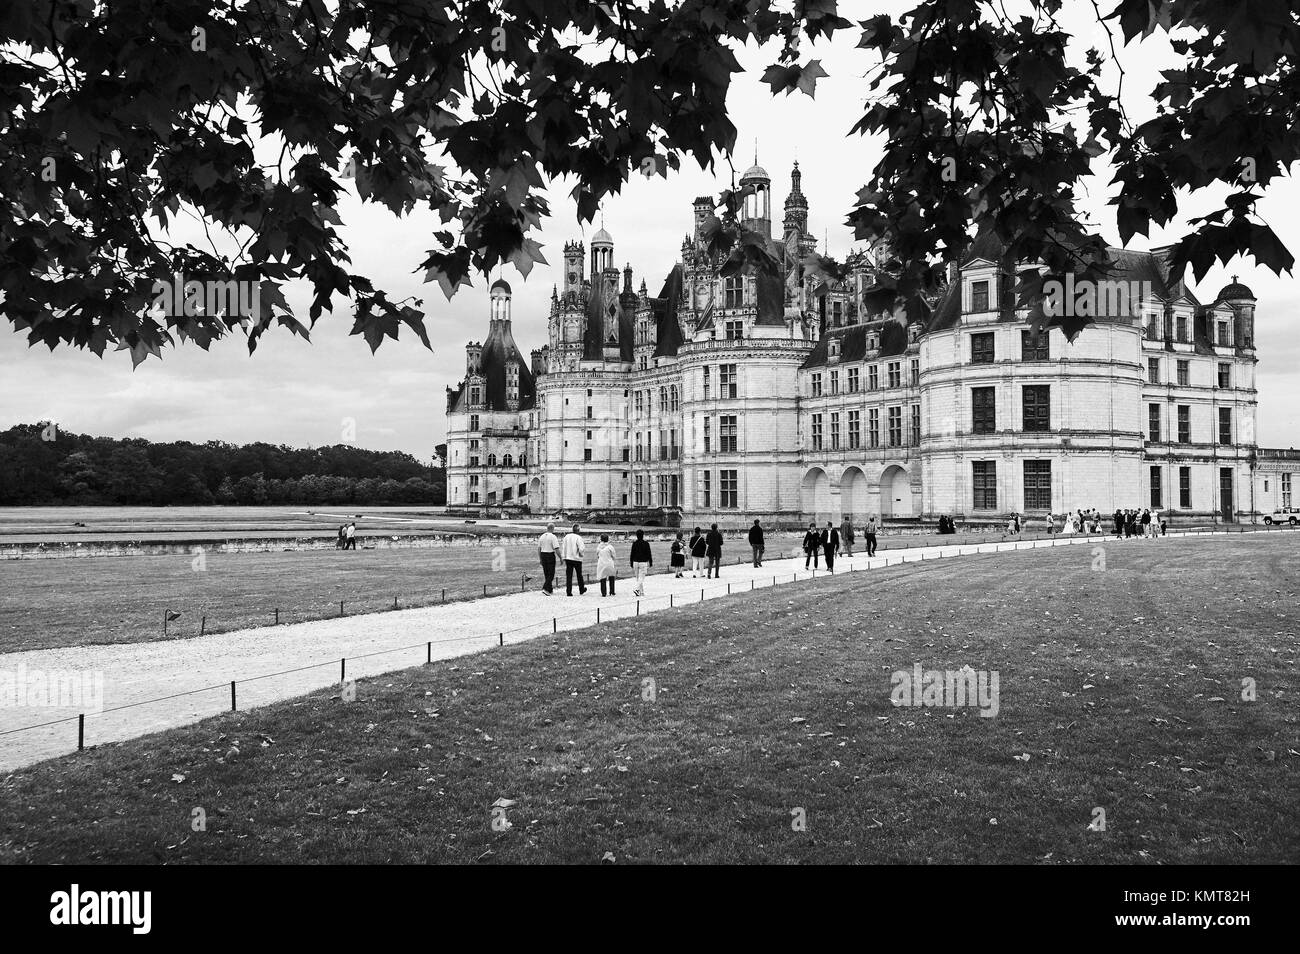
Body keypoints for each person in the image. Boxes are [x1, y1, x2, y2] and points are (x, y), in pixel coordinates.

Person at [561, 523, 587, 596]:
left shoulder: (566, 536)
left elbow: (564, 547)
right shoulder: (578, 537)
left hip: (568, 558)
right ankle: (581, 589)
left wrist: (564, 557)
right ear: (578, 530)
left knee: (569, 575)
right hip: (576, 558)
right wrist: (581, 554)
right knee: (579, 575)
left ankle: (569, 591)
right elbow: (581, 548)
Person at [537, 523, 560, 595]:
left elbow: (539, 549)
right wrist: (561, 558)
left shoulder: (542, 536)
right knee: (551, 574)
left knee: (546, 573)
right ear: (553, 528)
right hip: (550, 555)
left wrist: (540, 558)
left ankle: (550, 589)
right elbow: (556, 548)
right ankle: (545, 588)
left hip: (543, 555)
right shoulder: (553, 537)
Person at [630, 528, 653, 596]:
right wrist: (650, 562)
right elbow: (649, 553)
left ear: (636, 536)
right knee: (641, 578)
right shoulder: (646, 544)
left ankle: (641, 592)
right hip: (643, 562)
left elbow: (632, 554)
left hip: (635, 562)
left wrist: (631, 562)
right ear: (643, 535)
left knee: (638, 578)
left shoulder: (634, 543)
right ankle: (637, 589)